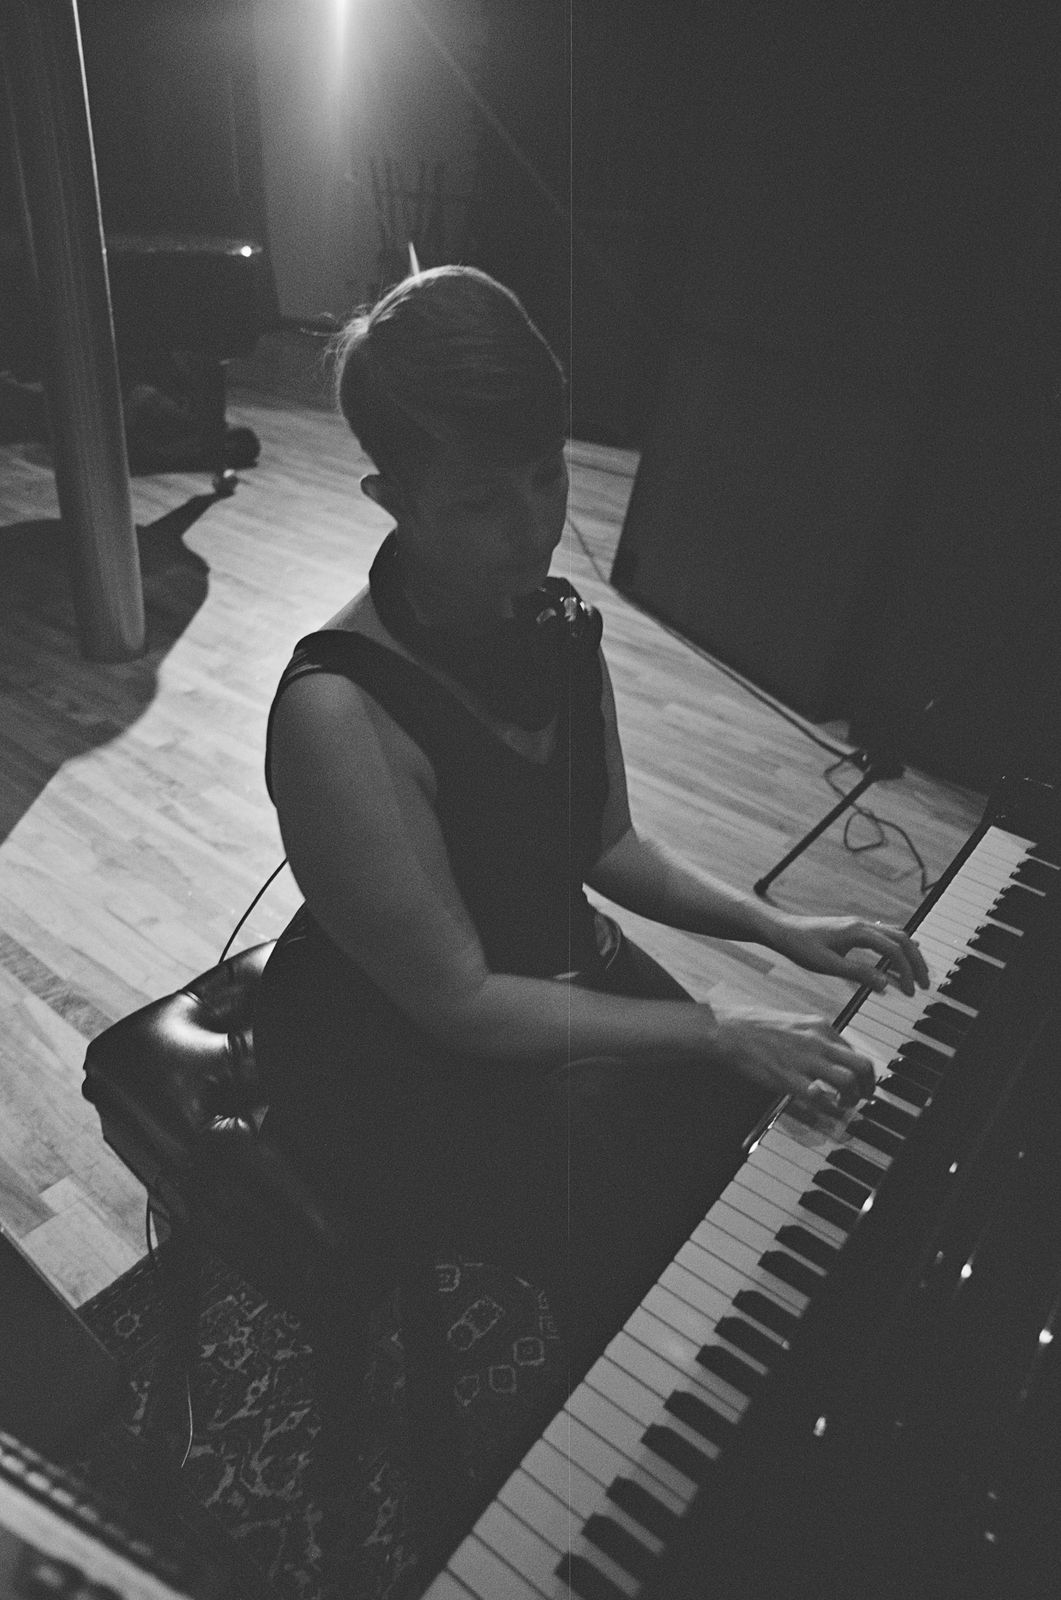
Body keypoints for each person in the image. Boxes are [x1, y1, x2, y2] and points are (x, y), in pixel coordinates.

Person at [254, 264, 928, 1394]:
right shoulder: (336, 715)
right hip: (389, 1052)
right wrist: (708, 1025)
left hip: (531, 967)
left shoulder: (552, 626)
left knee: (755, 1125)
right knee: (652, 1222)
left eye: (546, 473)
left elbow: (608, 845)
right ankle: (634, 1416)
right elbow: (459, 1003)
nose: (533, 530)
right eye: (480, 501)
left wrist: (779, 927)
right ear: (389, 498)